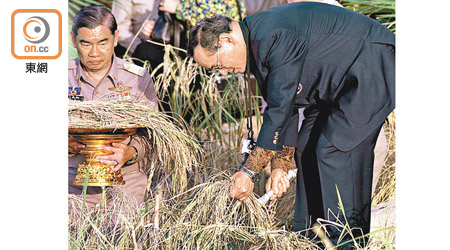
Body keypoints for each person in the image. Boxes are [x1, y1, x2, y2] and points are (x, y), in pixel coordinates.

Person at [187, 3, 394, 249]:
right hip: (336, 86)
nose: (223, 72)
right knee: (306, 146)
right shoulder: (258, 44)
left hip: (371, 68)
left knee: (334, 149)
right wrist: (280, 167)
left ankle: (346, 242)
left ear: (226, 40)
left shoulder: (272, 36)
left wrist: (249, 171)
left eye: (217, 65)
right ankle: (312, 239)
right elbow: (288, 107)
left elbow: (279, 109)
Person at [68, 5, 158, 207]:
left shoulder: (136, 78)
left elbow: (153, 135)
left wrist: (130, 152)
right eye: (85, 44)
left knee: (120, 232)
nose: (94, 53)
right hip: (71, 180)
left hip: (126, 180)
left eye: (102, 43)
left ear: (115, 38)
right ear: (74, 40)